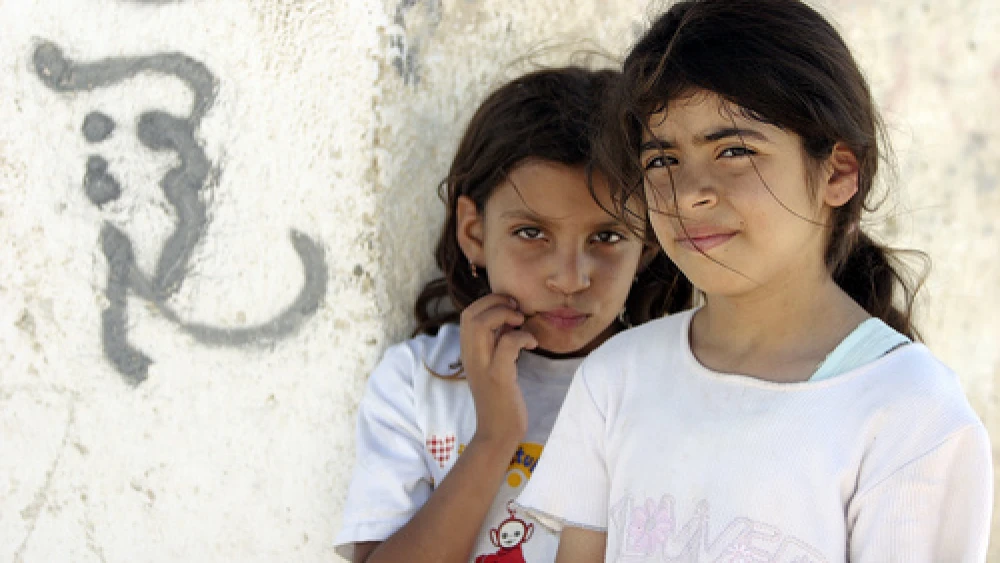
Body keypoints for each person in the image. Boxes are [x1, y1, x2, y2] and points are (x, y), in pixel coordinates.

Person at [516, 1, 994, 561]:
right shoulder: (616, 380)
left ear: (838, 172)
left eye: (735, 150)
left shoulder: (910, 412)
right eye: (662, 160)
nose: (691, 191)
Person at [334, 67, 687, 563]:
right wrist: (495, 435)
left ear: (647, 246)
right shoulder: (419, 383)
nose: (569, 278)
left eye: (606, 238)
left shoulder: (668, 387)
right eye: (531, 233)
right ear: (474, 232)